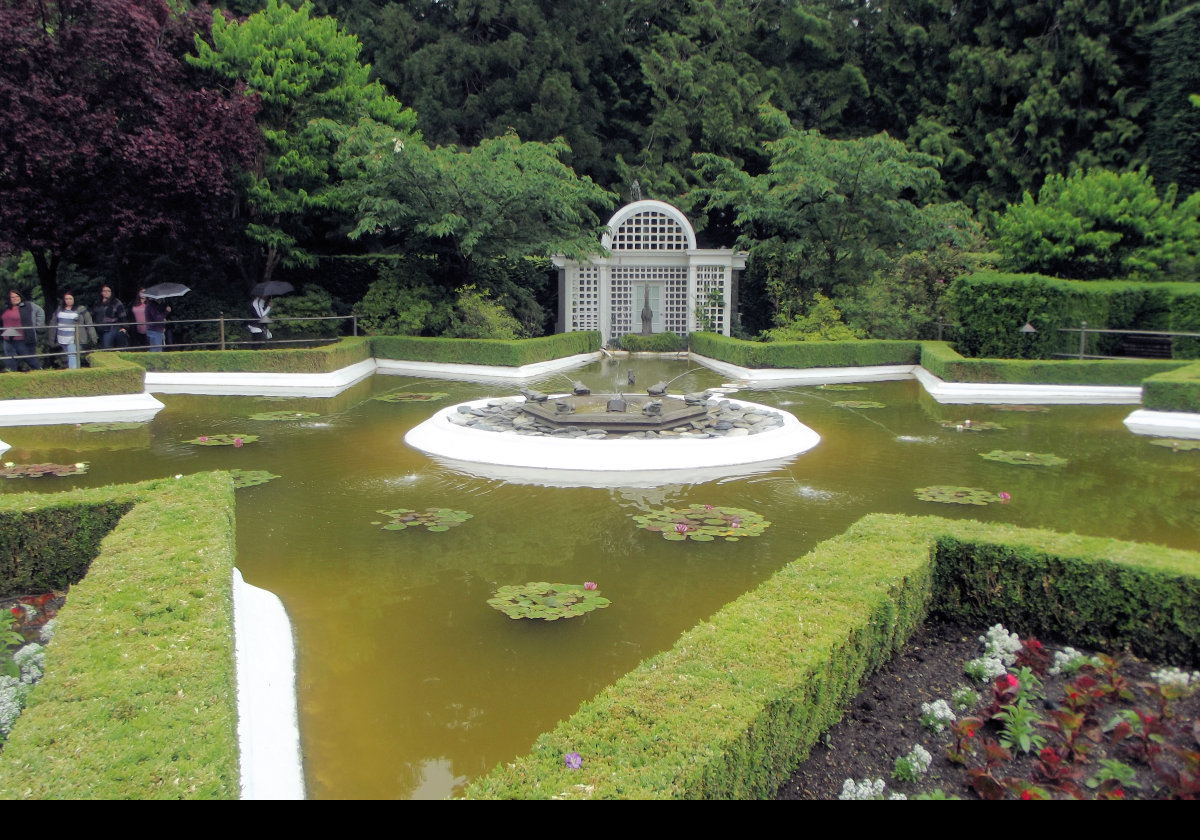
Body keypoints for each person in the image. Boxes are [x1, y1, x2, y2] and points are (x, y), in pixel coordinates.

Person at [49, 292, 98, 369]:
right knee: (70, 356)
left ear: (74, 299)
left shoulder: (81, 310)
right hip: (62, 338)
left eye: (70, 298)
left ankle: (73, 373)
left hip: (75, 338)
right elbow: (53, 323)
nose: (68, 300)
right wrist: (51, 339)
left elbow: (89, 323)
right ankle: (75, 370)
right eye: (66, 299)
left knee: (72, 356)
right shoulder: (59, 309)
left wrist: (93, 337)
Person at [2, 289, 45, 372]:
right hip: (7, 339)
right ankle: (12, 376)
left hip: (22, 339)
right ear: (9, 299)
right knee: (10, 360)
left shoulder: (28, 305)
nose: (15, 298)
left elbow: (40, 312)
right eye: (13, 297)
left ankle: (40, 372)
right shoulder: (6, 308)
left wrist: (38, 326)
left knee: (29, 358)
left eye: (17, 296)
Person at [94, 285, 129, 349]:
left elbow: (122, 315)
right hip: (100, 329)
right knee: (104, 347)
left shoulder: (116, 302)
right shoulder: (98, 303)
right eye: (105, 291)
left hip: (112, 328)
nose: (106, 292)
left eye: (108, 291)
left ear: (111, 292)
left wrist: (124, 327)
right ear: (101, 292)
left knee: (108, 347)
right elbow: (94, 315)